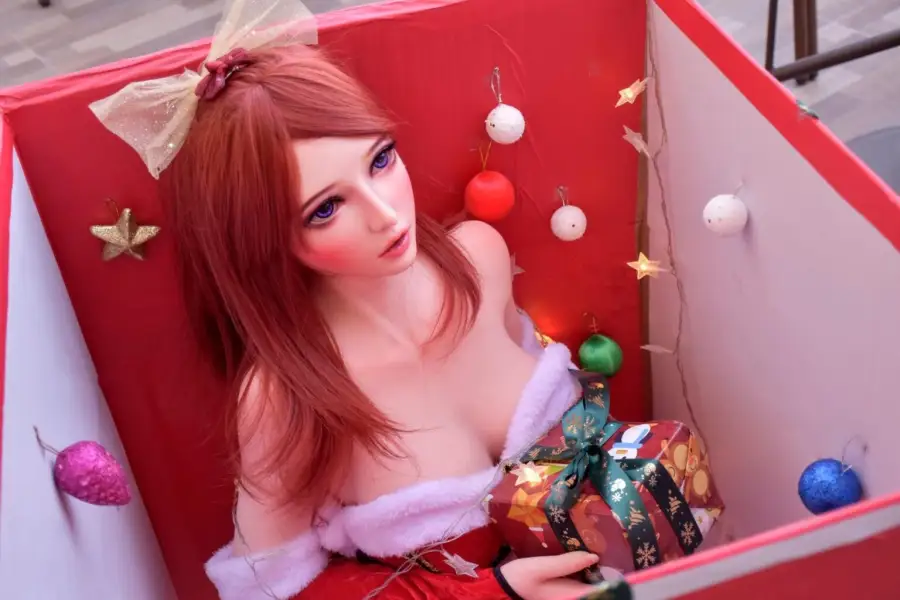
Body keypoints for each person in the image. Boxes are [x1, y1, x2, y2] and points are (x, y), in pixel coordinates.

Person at [89, 2, 607, 599]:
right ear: (264, 240)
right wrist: (487, 593)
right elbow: (266, 590)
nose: (385, 214)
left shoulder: (479, 257)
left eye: (381, 159)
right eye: (326, 208)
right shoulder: (282, 398)